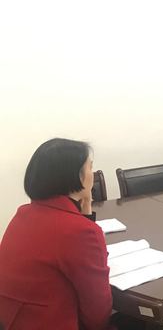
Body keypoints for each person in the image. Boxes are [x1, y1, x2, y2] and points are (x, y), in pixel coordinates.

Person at [0, 138, 113, 330]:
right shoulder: (80, 232)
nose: (93, 174)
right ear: (75, 177)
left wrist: (86, 207)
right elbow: (97, 317)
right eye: (90, 167)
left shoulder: (23, 214)